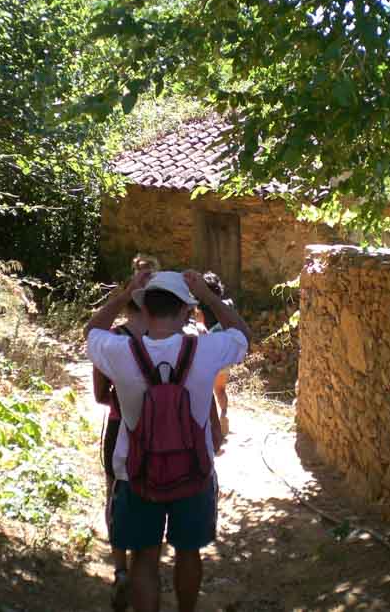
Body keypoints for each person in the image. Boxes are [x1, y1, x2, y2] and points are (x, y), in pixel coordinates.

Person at [85, 270, 251, 612]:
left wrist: (124, 292)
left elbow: (91, 332)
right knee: (188, 553)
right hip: (194, 472)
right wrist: (207, 295)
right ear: (186, 312)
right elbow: (242, 334)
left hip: (137, 474)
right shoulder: (206, 349)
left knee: (144, 557)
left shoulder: (119, 351)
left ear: (145, 311)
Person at [91, 253, 159, 610]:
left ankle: (121, 570)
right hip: (162, 432)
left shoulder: (114, 340)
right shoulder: (172, 338)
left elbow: (100, 394)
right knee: (156, 492)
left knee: (115, 493)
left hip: (120, 426)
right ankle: (148, 566)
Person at [193, 271, 232, 439]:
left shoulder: (199, 310)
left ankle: (209, 426)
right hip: (224, 355)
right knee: (221, 390)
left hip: (207, 357)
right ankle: (224, 416)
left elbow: (200, 332)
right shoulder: (228, 305)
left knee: (205, 393)